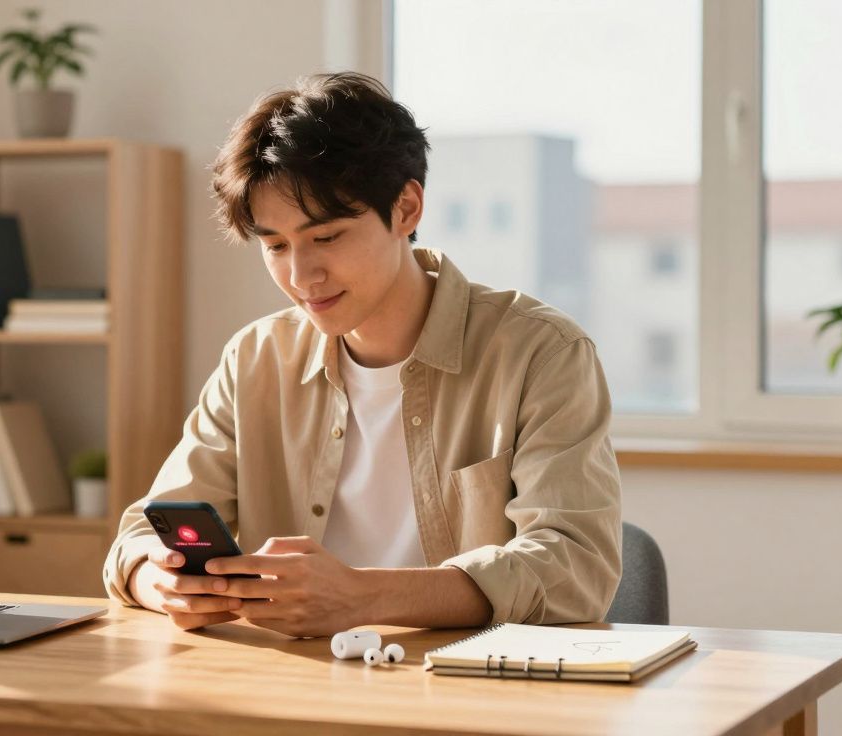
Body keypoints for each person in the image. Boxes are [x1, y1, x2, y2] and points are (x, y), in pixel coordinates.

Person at [102, 72, 621, 638]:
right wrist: (165, 584)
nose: (302, 276)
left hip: (466, 693)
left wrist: (362, 598)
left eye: (326, 237)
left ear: (406, 208)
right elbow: (139, 536)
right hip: (297, 685)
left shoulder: (540, 352)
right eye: (275, 245)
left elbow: (576, 568)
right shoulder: (255, 358)